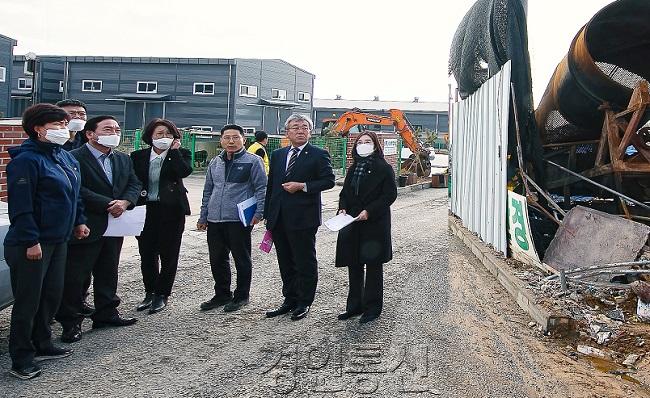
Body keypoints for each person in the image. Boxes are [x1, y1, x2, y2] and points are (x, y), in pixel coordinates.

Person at [4, 103, 90, 380]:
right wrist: (31, 240)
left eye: (64, 125)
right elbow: (21, 206)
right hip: (31, 242)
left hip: (59, 239)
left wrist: (79, 221)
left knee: (50, 295)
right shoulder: (25, 160)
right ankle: (21, 357)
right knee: (28, 300)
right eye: (56, 126)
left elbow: (74, 194)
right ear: (38, 129)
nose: (63, 130)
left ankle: (42, 343)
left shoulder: (64, 157)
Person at [56, 115, 141, 343]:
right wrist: (107, 203)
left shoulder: (123, 159)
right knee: (76, 276)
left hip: (115, 225)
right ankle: (71, 322)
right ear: (90, 134)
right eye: (107, 129)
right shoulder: (73, 158)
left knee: (108, 270)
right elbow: (76, 189)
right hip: (86, 224)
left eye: (116, 128)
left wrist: (125, 202)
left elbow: (134, 183)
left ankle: (106, 312)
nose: (113, 132)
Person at [263, 114, 334, 321]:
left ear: (310, 132)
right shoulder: (277, 154)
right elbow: (271, 186)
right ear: (287, 132)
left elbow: (328, 181)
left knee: (304, 261)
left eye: (304, 127)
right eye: (295, 127)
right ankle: (289, 299)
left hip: (304, 218)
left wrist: (303, 186)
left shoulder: (318, 154)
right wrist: (268, 214)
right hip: (279, 217)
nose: (300, 130)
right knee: (285, 261)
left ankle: (305, 301)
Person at [197, 124, 267, 313]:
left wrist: (259, 213)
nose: (231, 141)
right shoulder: (215, 162)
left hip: (239, 219)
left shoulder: (253, 161)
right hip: (215, 219)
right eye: (227, 137)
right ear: (221, 140)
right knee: (217, 259)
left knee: (241, 258)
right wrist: (203, 215)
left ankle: (242, 295)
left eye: (235, 137)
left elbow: (262, 188)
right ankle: (222, 294)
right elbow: (208, 190)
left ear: (244, 140)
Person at [130, 118, 192, 314]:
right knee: (147, 253)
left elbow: (184, 171)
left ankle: (162, 294)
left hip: (172, 210)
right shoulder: (137, 156)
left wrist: (173, 152)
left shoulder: (181, 154)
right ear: (150, 136)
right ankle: (149, 292)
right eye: (159, 134)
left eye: (168, 134)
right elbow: (132, 181)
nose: (163, 137)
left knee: (169, 253)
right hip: (145, 209)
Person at [335, 132, 397, 324]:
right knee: (353, 264)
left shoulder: (384, 168)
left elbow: (389, 196)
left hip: (374, 224)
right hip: (352, 222)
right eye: (360, 142)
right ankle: (354, 306)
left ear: (375, 145)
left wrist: (369, 211)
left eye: (367, 142)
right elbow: (345, 192)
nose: (363, 145)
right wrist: (343, 207)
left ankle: (372, 308)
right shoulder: (354, 168)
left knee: (373, 267)